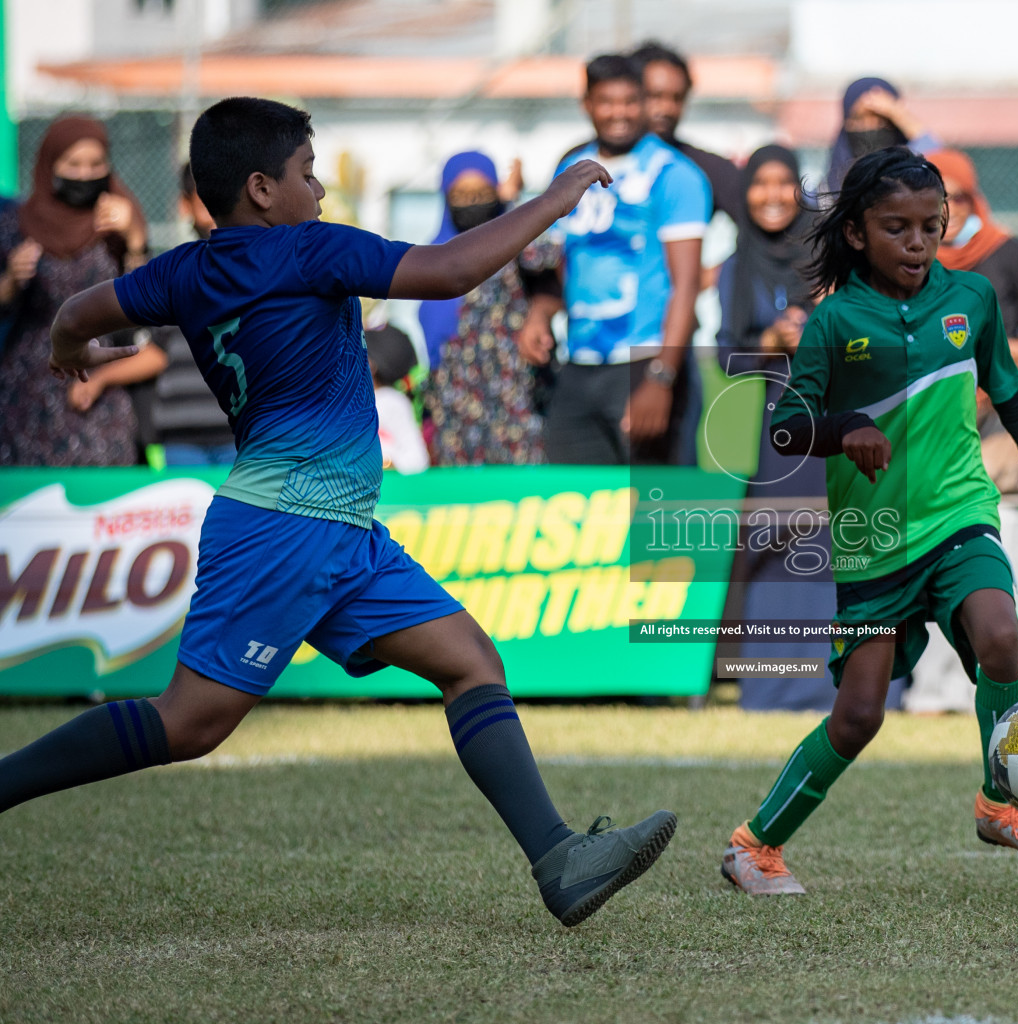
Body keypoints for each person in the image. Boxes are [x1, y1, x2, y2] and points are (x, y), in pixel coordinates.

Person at [13, 97, 675, 928]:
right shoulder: (309, 249)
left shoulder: (184, 269)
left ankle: (560, 860)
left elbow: (79, 314)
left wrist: (69, 348)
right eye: (307, 173)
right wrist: (553, 198)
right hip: (285, 526)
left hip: (337, 526)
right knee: (188, 726)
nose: (320, 190)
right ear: (261, 187)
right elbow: (447, 271)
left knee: (471, 659)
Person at [719, 148, 1018, 895]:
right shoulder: (834, 322)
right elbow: (791, 427)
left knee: (1000, 636)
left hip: (959, 511)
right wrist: (844, 428)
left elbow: (1013, 398)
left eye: (932, 225)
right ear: (857, 233)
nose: (918, 242)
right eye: (898, 227)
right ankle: (755, 845)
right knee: (859, 715)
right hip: (874, 543)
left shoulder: (973, 300)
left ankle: (999, 800)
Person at [523, 54, 710, 466]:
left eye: (631, 101)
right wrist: (540, 314)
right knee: (575, 508)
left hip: (644, 362)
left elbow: (686, 284)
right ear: (587, 104)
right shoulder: (570, 168)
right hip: (579, 361)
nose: (620, 113)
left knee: (657, 514)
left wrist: (663, 377)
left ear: (645, 103)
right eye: (607, 101)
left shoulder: (674, 173)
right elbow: (561, 265)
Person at [713, 144, 842, 711]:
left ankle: (848, 683)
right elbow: (727, 356)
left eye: (782, 182)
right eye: (759, 184)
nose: (771, 196)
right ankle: (772, 687)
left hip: (840, 409)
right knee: (776, 545)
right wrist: (771, 342)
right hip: (778, 419)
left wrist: (817, 326)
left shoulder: (831, 249)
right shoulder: (738, 265)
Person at [0, 115, 166, 466]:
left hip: (99, 382)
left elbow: (145, 303)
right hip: (30, 389)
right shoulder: (15, 223)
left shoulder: (119, 218)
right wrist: (11, 281)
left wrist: (135, 238)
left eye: (96, 164)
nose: (85, 175)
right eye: (73, 164)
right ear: (50, 165)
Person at [419, 151, 560, 466]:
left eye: (482, 194)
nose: (471, 203)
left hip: (513, 400)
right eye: (461, 195)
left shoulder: (509, 241)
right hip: (454, 407)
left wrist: (510, 207)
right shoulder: (433, 255)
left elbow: (545, 254)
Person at [930, 148, 1018, 390]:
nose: (948, 209)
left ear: (973, 199)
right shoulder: (912, 257)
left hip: (997, 393)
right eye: (937, 199)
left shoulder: (1003, 248)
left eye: (958, 198)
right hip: (934, 395)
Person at [146, 162, 238, 466]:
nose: (215, 210)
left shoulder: (258, 269)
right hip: (181, 434)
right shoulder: (174, 273)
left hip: (239, 430)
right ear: (184, 205)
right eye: (205, 202)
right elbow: (157, 350)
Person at [631, 40, 743, 225]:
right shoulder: (585, 163)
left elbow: (759, 234)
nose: (667, 109)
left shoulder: (708, 168)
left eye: (677, 98)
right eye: (655, 96)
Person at [824, 78, 941, 194]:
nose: (870, 129)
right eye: (860, 121)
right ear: (846, 123)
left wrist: (897, 112)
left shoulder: (914, 186)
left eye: (882, 122)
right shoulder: (824, 196)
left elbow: (939, 159)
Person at [367, 324, 429, 475]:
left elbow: (418, 460)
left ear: (371, 365)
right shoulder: (342, 403)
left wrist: (388, 462)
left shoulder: (391, 401)